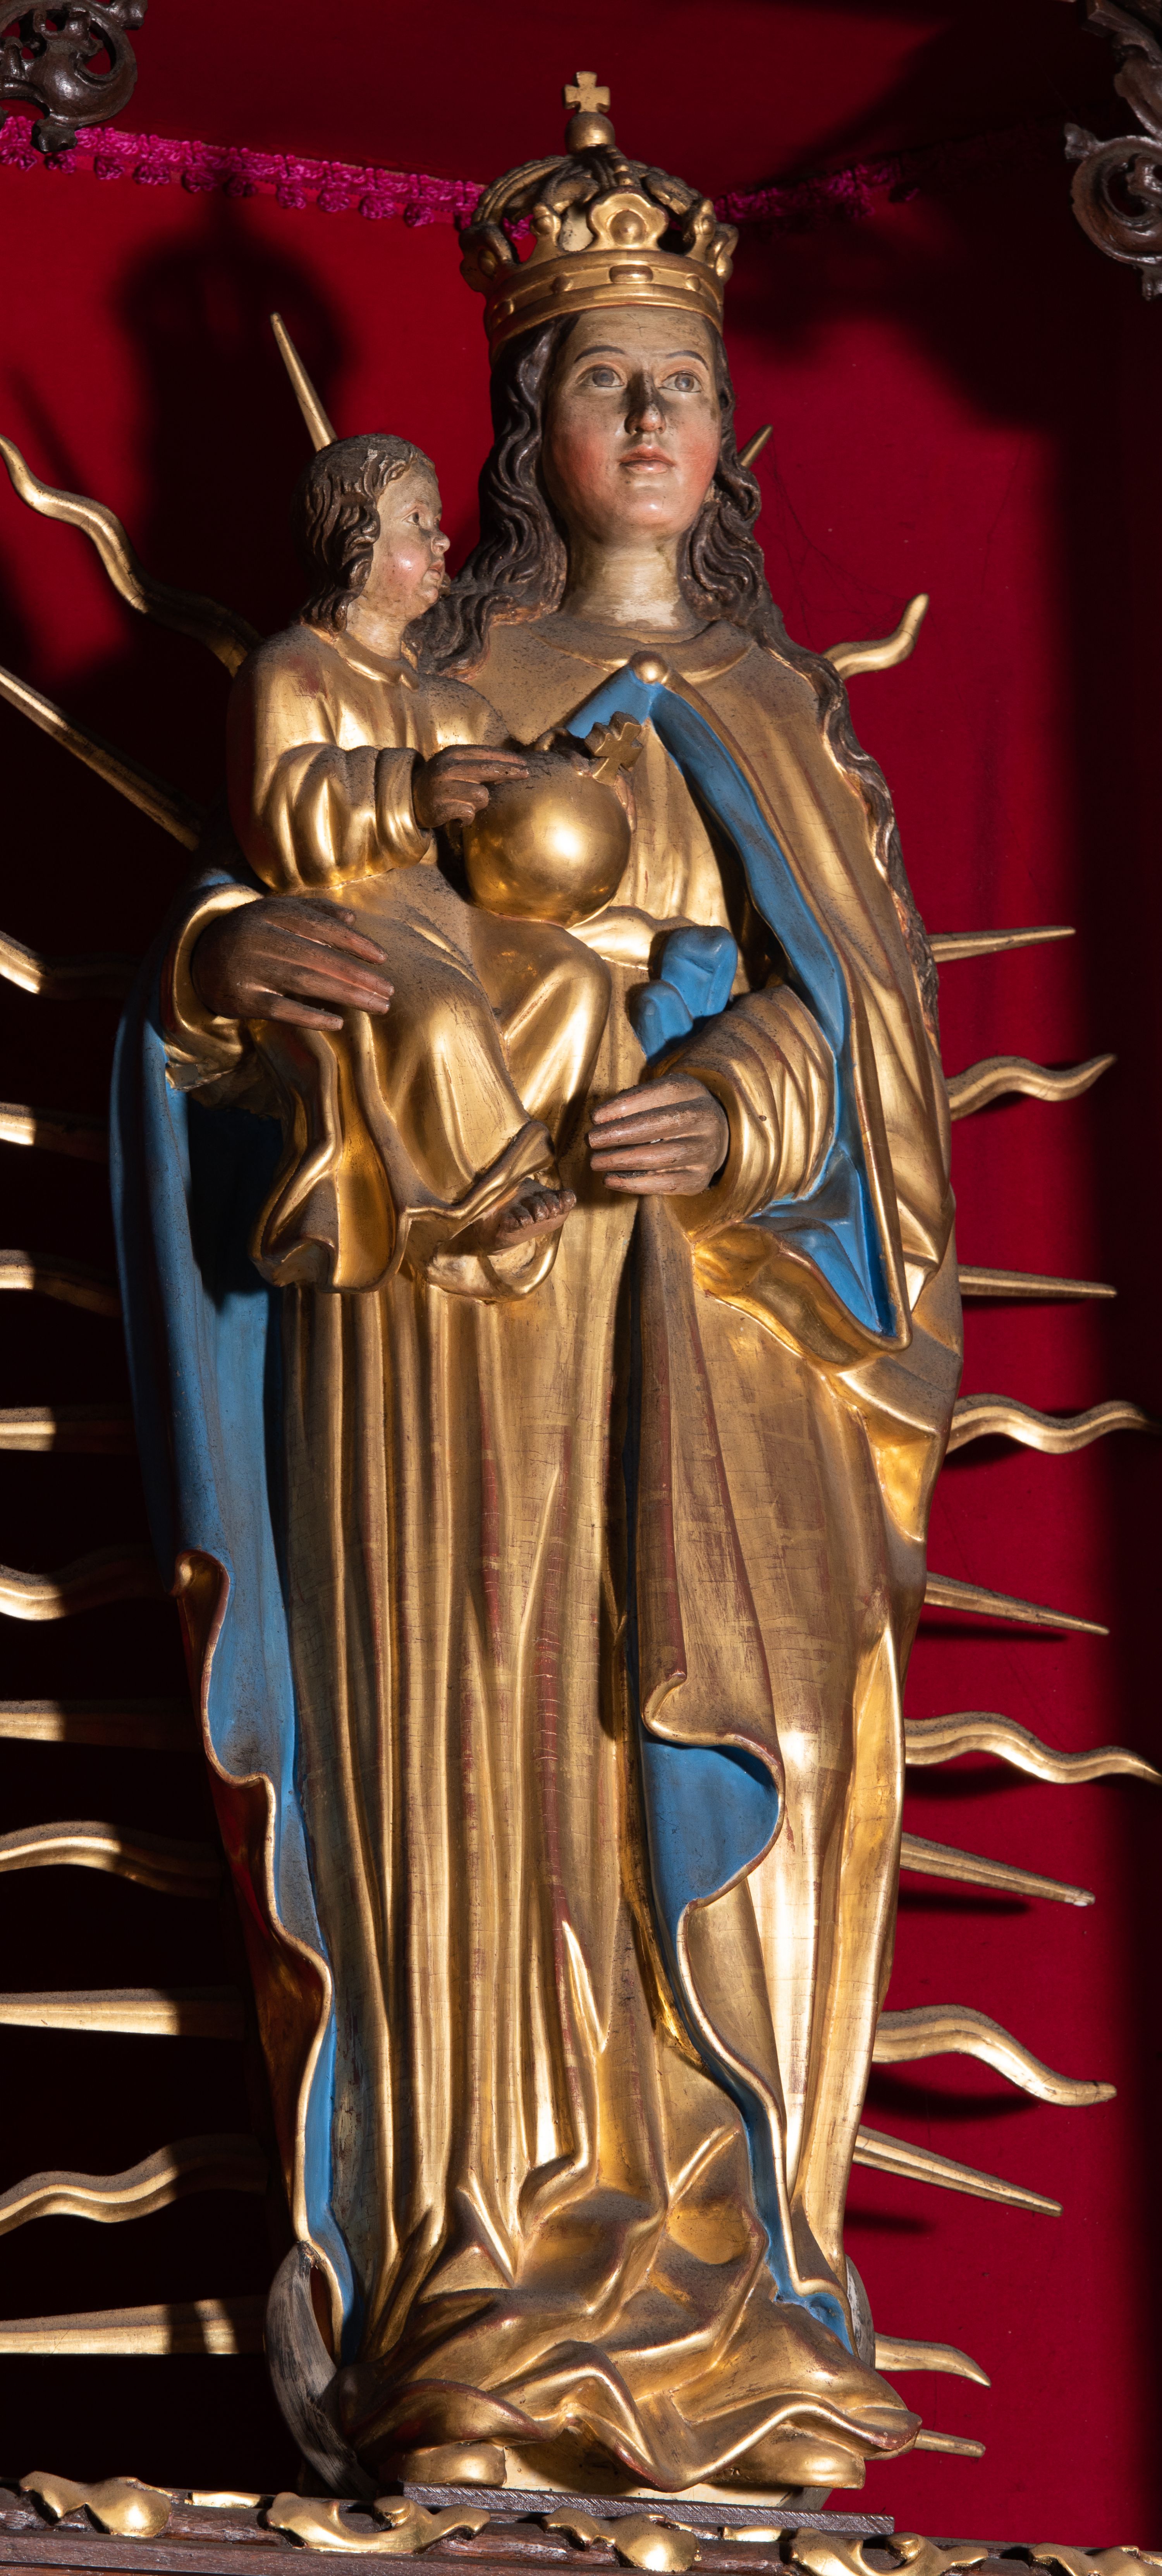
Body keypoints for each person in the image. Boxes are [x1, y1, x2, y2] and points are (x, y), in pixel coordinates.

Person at [113, 86, 959, 2501]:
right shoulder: (416, 668)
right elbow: (265, 936)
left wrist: (744, 1112)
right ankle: (479, 2273)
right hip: (453, 1318)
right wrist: (220, 975)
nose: (653, 420)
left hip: (716, 1319)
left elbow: (870, 1050)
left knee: (724, 1757)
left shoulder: (788, 722)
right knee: (488, 1759)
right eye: (604, 380)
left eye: (682, 379)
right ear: (520, 427)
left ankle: (734, 2285)